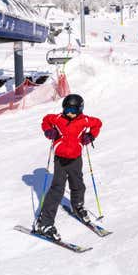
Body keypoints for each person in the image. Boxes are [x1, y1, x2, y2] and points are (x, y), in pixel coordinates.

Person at [33, 94, 103, 241]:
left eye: (73, 109)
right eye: (67, 109)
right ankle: (45, 223)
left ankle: (77, 206)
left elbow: (97, 124)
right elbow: (46, 120)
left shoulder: (85, 120)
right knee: (57, 190)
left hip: (75, 159)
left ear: (80, 109)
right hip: (60, 160)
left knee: (78, 184)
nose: (70, 112)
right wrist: (49, 131)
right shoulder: (58, 119)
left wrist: (90, 136)